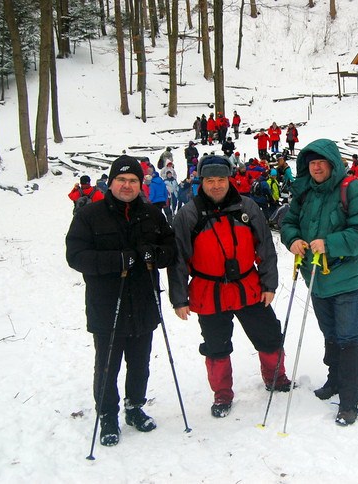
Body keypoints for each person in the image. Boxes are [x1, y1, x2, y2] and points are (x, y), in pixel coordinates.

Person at [167, 156, 291, 418]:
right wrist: (179, 298)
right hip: (208, 291)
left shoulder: (247, 206)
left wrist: (269, 283)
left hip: (248, 286)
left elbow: (266, 247)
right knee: (216, 346)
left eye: (220, 179)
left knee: (269, 335)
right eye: (209, 180)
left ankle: (276, 378)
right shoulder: (188, 214)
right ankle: (222, 394)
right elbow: (178, 259)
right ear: (201, 181)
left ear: (229, 179)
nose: (215, 186)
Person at [65, 155, 176, 446]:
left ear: (141, 184)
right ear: (111, 182)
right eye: (122, 180)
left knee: (139, 363)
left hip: (144, 303)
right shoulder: (90, 215)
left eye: (133, 181)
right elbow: (75, 256)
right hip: (107, 306)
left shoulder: (152, 214)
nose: (127, 185)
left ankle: (134, 407)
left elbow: (170, 247)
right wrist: (117, 260)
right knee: (107, 365)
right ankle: (107, 415)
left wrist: (155, 254)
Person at [279, 139, 358, 426]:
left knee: (347, 337)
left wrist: (330, 244)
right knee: (331, 333)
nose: (317, 167)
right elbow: (289, 223)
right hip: (317, 278)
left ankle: (349, 401)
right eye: (311, 162)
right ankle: (334, 379)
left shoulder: (354, 189)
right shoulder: (305, 193)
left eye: (321, 161)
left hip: (346, 278)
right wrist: (293, 240)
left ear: (333, 163)